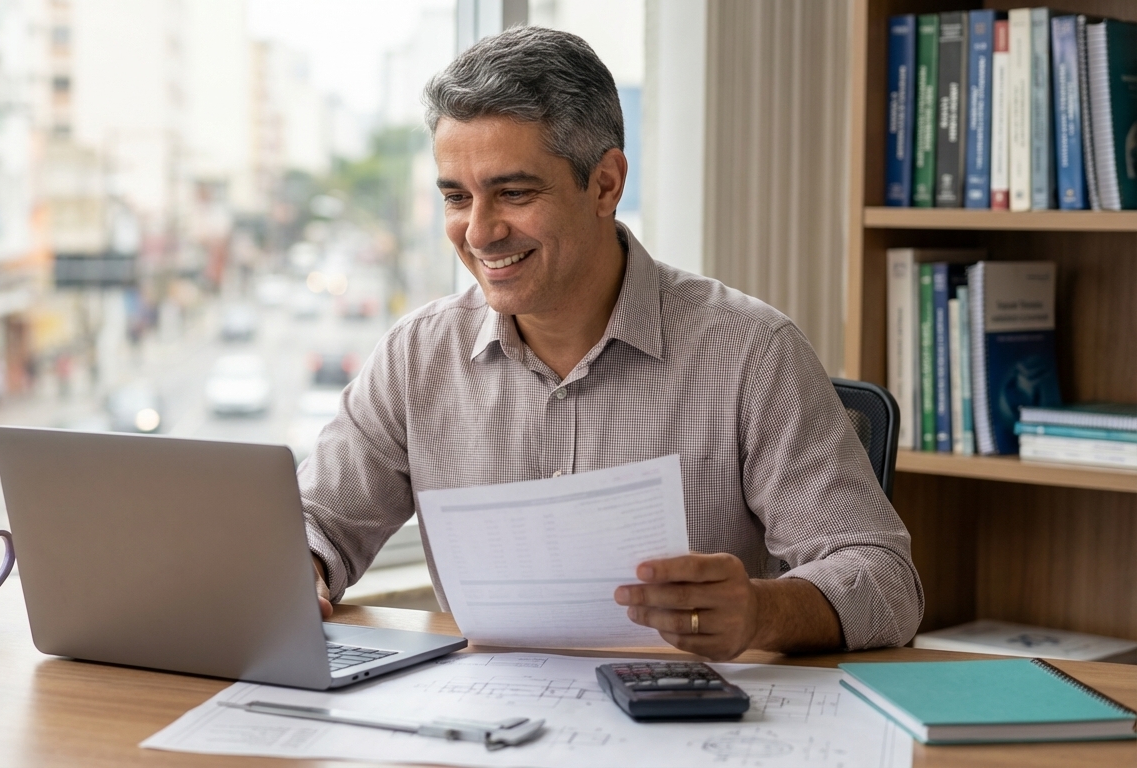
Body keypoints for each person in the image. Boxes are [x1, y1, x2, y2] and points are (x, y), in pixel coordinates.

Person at [300, 27, 922, 661]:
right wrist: (301, 570)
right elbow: (313, 525)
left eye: (514, 193)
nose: (480, 232)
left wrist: (763, 611)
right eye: (457, 198)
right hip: (488, 724)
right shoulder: (416, 357)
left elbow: (885, 581)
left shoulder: (752, 351)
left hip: (686, 729)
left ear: (605, 184)